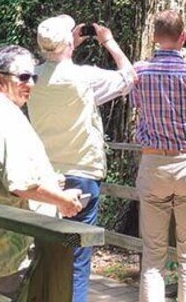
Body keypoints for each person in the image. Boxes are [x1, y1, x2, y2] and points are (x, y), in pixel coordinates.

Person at [27, 15, 136, 302]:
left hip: (44, 178)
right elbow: (129, 77)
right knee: (77, 258)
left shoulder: (30, 79)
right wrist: (108, 41)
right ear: (67, 43)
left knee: (46, 253)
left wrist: (67, 45)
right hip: (82, 174)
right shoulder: (84, 78)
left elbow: (53, 69)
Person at [0, 44, 83, 296]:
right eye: (23, 77)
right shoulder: (3, 116)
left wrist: (48, 180)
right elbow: (20, 183)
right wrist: (64, 201)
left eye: (33, 77)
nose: (31, 84)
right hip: (10, 250)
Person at [130, 9, 186, 302]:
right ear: (183, 38)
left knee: (153, 256)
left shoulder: (139, 71)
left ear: (154, 37)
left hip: (153, 164)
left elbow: (136, 103)